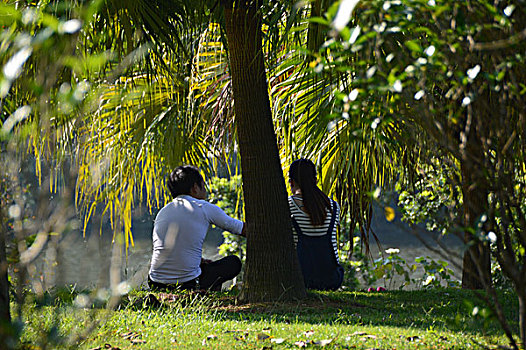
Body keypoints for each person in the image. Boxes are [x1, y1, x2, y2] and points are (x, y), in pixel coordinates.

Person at [148, 165, 246, 291]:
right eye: (203, 186)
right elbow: (241, 229)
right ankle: (208, 290)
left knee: (206, 265)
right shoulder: (202, 207)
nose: (205, 191)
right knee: (233, 263)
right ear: (195, 188)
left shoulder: (163, 211)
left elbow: (174, 248)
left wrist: (199, 261)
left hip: (155, 283)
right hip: (189, 284)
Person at [288, 159, 344, 290]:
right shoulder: (333, 206)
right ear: (316, 180)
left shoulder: (287, 205)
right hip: (332, 279)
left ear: (291, 182)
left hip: (301, 279)